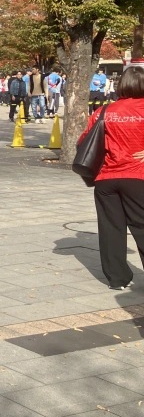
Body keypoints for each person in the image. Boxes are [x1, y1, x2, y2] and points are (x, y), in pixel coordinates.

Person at [80, 66, 144, 291]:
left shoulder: (104, 111)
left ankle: (117, 279)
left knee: (110, 228)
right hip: (137, 176)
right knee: (142, 226)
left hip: (106, 177)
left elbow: (84, 141)